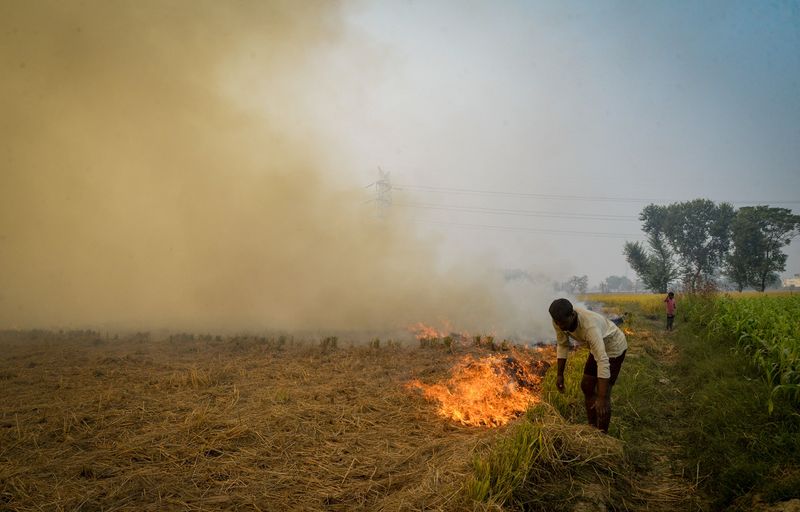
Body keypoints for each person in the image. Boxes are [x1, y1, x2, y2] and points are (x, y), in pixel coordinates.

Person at [549, 298, 628, 433]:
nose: (560, 326)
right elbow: (562, 345)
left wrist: (602, 398)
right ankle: (592, 428)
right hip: (597, 347)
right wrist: (560, 375)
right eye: (557, 322)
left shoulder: (589, 327)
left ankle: (602, 436)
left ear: (572, 315)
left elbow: (602, 360)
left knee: (603, 392)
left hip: (614, 347)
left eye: (562, 323)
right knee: (586, 386)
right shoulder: (558, 319)